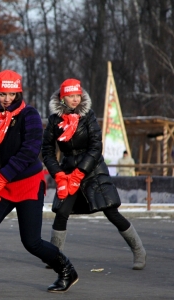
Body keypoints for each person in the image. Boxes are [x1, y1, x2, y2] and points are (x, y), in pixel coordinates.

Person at [0, 70, 78, 294]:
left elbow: (29, 151)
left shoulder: (30, 115)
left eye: (12, 94)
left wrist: (0, 179)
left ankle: (66, 270)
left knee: (31, 241)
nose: (7, 99)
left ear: (19, 93)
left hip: (27, 183)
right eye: (2, 94)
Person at [41, 78, 146, 270]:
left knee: (111, 210)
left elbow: (96, 146)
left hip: (93, 169)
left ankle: (139, 250)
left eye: (77, 95)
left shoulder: (87, 115)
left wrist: (81, 171)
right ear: (62, 98)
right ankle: (54, 256)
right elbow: (47, 150)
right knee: (61, 212)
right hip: (67, 170)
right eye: (70, 96)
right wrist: (59, 174)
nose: (75, 99)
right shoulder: (55, 120)